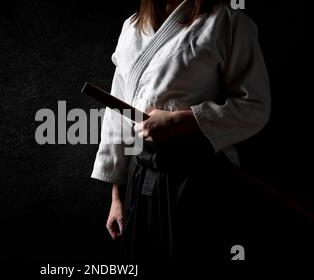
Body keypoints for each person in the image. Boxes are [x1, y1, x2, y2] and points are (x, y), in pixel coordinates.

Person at [91, 0, 271, 264]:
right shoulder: (132, 27)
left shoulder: (227, 22)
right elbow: (117, 113)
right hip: (142, 177)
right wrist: (116, 197)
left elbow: (255, 106)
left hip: (198, 179)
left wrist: (183, 120)